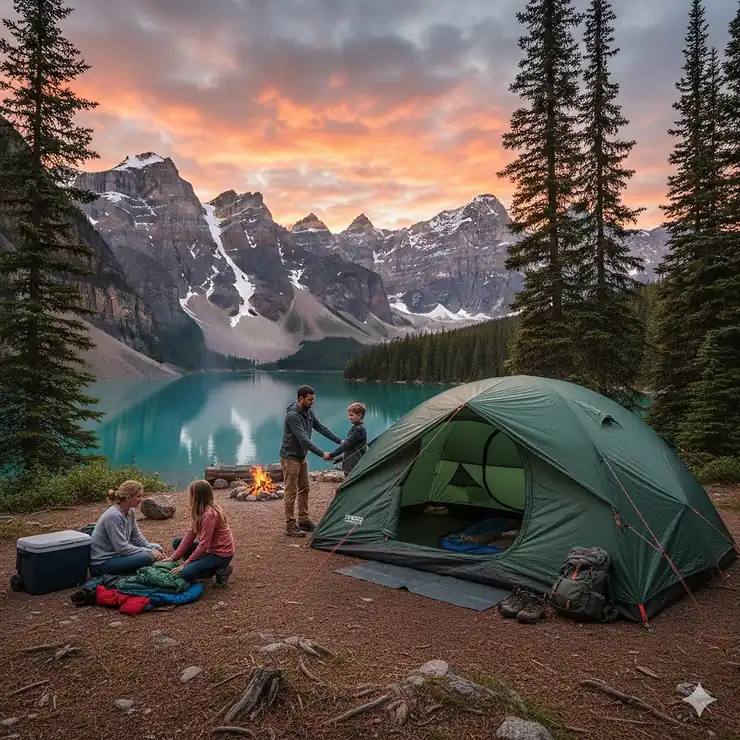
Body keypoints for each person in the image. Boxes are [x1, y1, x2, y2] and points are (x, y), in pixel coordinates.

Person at [279, 384, 342, 537]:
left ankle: (304, 520)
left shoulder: (308, 412)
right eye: (310, 399)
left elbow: (321, 428)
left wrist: (340, 442)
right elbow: (303, 440)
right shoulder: (293, 416)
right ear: (301, 398)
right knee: (291, 492)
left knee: (304, 488)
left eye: (313, 399)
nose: (312, 402)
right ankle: (290, 525)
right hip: (290, 458)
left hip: (301, 457)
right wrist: (322, 454)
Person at [165, 480, 234, 586]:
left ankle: (221, 570)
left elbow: (203, 545)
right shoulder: (199, 510)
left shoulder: (210, 514)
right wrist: (173, 557)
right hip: (210, 549)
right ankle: (201, 564)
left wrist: (185, 564)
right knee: (177, 542)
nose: (189, 497)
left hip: (220, 555)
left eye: (191, 494)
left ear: (197, 496)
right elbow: (190, 534)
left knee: (184, 573)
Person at [89, 480, 164, 576]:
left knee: (157, 548)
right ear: (128, 497)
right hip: (102, 563)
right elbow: (122, 548)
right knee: (147, 557)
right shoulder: (114, 516)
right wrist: (149, 551)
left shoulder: (130, 511)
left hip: (118, 556)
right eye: (138, 496)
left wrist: (151, 548)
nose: (141, 499)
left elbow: (137, 537)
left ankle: (130, 569)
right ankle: (127, 571)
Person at [326, 402, 368, 475]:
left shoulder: (359, 430)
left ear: (359, 415)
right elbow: (350, 447)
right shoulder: (357, 427)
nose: (349, 417)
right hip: (351, 462)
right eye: (349, 415)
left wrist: (331, 455)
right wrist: (337, 458)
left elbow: (346, 445)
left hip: (353, 464)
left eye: (351, 415)